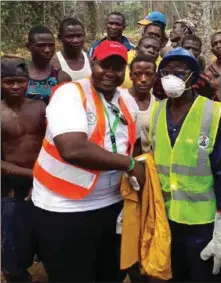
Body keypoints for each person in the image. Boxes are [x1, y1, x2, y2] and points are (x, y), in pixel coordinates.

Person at [31, 40, 144, 282]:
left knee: (109, 273)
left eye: (118, 67)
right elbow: (72, 149)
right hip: (64, 208)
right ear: (92, 63)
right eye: (105, 65)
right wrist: (130, 165)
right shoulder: (70, 94)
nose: (111, 73)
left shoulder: (127, 99)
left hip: (112, 204)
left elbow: (131, 145)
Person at [149, 47, 221, 282]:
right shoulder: (157, 111)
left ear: (193, 77)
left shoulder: (212, 112)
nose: (172, 77)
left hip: (203, 222)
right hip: (167, 218)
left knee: (204, 277)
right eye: (166, 72)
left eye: (180, 72)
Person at [1, 58, 46, 282]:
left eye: (20, 81)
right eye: (9, 82)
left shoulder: (39, 108)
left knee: (47, 241)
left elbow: (53, 145)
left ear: (28, 81)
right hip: (12, 190)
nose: (16, 86)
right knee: (14, 251)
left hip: (45, 187)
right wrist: (31, 175)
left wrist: (42, 176)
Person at [26, 26, 61, 104]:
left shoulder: (60, 75)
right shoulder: (19, 73)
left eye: (51, 45)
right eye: (41, 45)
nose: (47, 50)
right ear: (28, 47)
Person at [129, 55, 156, 153]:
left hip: (149, 164)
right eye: (138, 74)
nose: (143, 79)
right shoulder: (119, 100)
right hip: (122, 163)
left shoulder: (158, 105)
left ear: (155, 76)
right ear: (130, 76)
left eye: (149, 74)